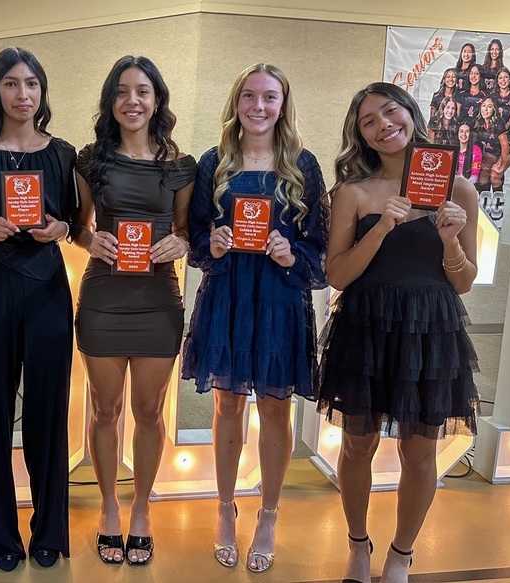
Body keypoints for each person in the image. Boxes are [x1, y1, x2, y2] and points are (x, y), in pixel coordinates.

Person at [317, 82, 479, 583]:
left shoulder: (458, 189)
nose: (384, 125)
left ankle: (401, 555)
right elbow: (337, 275)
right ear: (360, 136)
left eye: (391, 112)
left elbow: (464, 281)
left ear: (411, 114)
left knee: (420, 450)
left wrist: (450, 241)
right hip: (365, 325)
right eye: (369, 121)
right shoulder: (352, 192)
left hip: (431, 328)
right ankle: (357, 545)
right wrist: (384, 227)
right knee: (357, 445)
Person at [180, 63, 327, 573]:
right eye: (249, 96)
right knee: (226, 408)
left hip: (280, 299)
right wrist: (213, 243)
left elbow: (321, 248)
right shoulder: (212, 162)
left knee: (275, 410)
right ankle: (224, 507)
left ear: (282, 104)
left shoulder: (303, 165)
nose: (258, 106)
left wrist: (292, 253)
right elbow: (194, 235)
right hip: (228, 297)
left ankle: (268, 512)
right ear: (236, 101)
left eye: (269, 97)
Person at [0, 47, 79, 572]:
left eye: (31, 84)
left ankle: (50, 531)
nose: (22, 95)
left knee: (49, 415)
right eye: (11, 84)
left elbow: (73, 222)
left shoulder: (64, 153)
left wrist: (60, 230)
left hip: (47, 288)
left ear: (42, 91)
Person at [74, 55, 197, 566]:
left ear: (157, 100)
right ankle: (107, 508)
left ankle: (141, 509)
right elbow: (75, 226)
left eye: (143, 91)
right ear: (111, 101)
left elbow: (187, 230)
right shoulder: (90, 162)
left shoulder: (180, 166)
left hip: (157, 302)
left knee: (148, 412)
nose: (132, 101)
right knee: (106, 410)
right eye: (122, 92)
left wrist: (181, 244)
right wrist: (89, 239)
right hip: (103, 299)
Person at [474, 96, 510, 192]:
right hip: (489, 152)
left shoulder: (499, 123)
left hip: (504, 151)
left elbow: (505, 148)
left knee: (495, 176)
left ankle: (498, 203)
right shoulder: (478, 122)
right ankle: (481, 202)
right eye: (483, 106)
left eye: (489, 106)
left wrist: (501, 166)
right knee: (482, 176)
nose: (485, 109)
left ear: (494, 109)